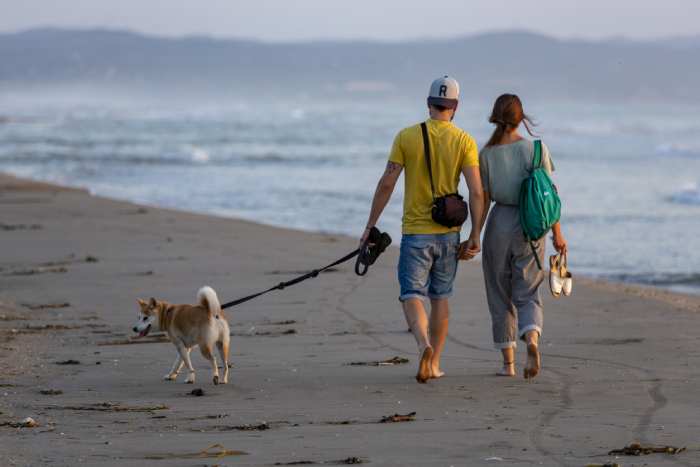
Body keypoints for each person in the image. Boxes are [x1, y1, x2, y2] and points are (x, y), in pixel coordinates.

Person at [361, 76, 484, 383]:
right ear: (455, 107)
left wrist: (370, 225)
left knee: (411, 293)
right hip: (449, 232)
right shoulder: (465, 140)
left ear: (428, 103)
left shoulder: (406, 137)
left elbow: (387, 182)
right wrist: (475, 235)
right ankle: (436, 364)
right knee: (441, 297)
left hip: (415, 233)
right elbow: (477, 192)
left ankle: (422, 344)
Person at [466, 93, 567, 379]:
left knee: (499, 292)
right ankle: (531, 340)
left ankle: (508, 364)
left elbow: (482, 198)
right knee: (529, 288)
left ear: (495, 117)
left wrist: (475, 234)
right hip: (531, 225)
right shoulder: (536, 149)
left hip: (499, 221)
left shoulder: (485, 154)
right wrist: (558, 235)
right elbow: (549, 196)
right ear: (521, 118)